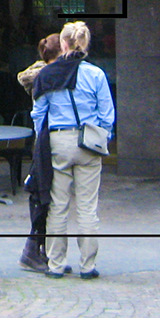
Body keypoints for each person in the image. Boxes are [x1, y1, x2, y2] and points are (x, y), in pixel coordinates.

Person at [30, 21, 115, 280]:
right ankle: (88, 266)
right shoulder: (96, 74)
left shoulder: (47, 74)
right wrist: (103, 137)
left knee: (57, 205)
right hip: (88, 141)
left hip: (58, 142)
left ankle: (56, 264)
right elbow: (107, 114)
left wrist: (40, 141)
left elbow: (38, 113)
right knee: (87, 208)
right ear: (85, 43)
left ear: (63, 44)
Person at [16, 33, 63, 271]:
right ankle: (32, 250)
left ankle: (38, 250)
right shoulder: (46, 77)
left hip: (43, 140)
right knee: (43, 196)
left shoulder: (41, 76)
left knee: (43, 194)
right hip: (46, 141)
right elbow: (40, 113)